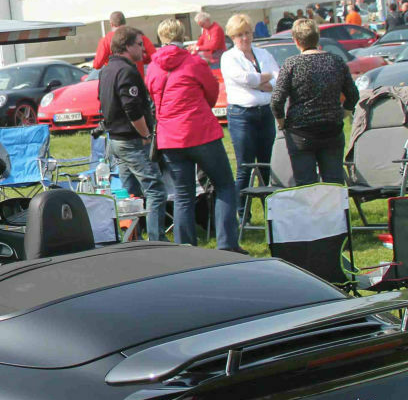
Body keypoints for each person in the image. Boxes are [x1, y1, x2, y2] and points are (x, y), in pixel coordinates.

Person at [148, 19, 242, 252]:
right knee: (224, 185)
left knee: (183, 195)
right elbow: (212, 91)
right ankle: (227, 244)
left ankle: (186, 249)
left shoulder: (153, 68)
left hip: (170, 138)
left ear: (161, 38)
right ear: (182, 36)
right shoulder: (194, 63)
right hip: (200, 133)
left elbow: (152, 97)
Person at [97, 27, 168, 242]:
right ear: (127, 46)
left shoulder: (106, 70)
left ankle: (130, 238)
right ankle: (157, 240)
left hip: (116, 140)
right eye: (139, 44)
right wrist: (146, 134)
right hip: (130, 140)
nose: (143, 49)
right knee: (156, 189)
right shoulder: (127, 71)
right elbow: (132, 109)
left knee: (130, 194)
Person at [270, 17, 358, 185]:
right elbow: (353, 95)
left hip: (300, 133)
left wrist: (281, 122)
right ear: (317, 38)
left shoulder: (291, 64)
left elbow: (276, 100)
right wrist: (344, 113)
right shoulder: (336, 61)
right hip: (332, 130)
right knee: (334, 184)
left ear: (296, 41)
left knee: (306, 186)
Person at [220, 13, 280, 220]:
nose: (244, 38)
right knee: (244, 166)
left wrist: (262, 81)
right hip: (242, 115)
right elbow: (245, 79)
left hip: (265, 113)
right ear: (232, 37)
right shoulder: (229, 58)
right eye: (239, 35)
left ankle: (271, 213)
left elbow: (278, 78)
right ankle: (242, 214)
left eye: (247, 33)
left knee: (267, 165)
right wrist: (265, 79)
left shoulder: (263, 54)